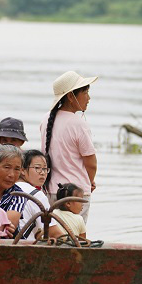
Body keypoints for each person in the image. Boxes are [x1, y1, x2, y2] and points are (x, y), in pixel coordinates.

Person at [39, 70, 98, 223]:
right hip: (75, 195)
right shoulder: (78, 123)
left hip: (52, 192)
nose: (89, 98)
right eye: (85, 92)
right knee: (76, 237)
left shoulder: (46, 119)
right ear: (71, 96)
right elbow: (91, 163)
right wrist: (90, 182)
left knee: (56, 236)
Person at [14, 149, 58, 241]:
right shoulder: (37, 195)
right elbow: (54, 232)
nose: (42, 172)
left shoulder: (9, 188)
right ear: (23, 170)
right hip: (26, 246)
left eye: (45, 168)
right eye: (37, 168)